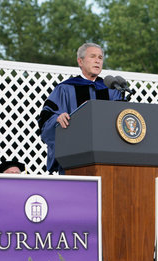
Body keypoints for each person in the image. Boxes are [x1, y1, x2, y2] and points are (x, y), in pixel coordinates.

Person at [36, 43, 122, 173]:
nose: (98, 60)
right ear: (80, 61)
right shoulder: (65, 89)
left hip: (108, 160)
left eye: (100, 57)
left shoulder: (111, 90)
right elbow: (45, 120)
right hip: (75, 160)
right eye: (93, 56)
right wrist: (57, 119)